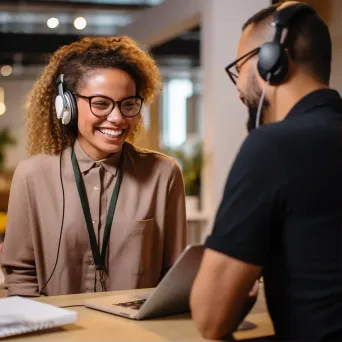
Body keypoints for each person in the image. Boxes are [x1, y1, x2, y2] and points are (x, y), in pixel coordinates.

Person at [190, 1, 342, 340]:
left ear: (271, 61)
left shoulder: (272, 146)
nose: (238, 88)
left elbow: (210, 318)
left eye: (240, 68)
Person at [1, 36, 187, 297]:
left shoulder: (163, 173)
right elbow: (20, 276)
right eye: (101, 103)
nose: (117, 118)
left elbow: (175, 273)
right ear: (67, 106)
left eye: (128, 104)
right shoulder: (32, 176)